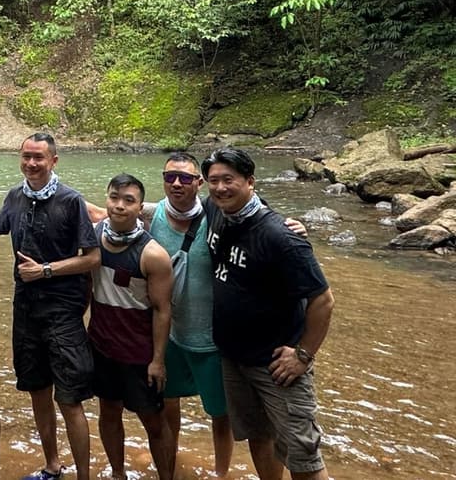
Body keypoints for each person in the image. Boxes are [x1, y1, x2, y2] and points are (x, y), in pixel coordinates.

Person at [201, 148, 335, 480]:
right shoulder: (216, 211)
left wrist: (303, 355)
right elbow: (172, 209)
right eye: (213, 181)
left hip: (276, 365)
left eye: (228, 180)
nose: (220, 188)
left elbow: (323, 300)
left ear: (250, 182)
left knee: (303, 455)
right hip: (234, 358)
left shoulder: (281, 236)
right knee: (259, 436)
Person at [0, 133, 100, 480]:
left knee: (69, 399)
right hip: (26, 312)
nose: (31, 164)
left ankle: (83, 475)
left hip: (63, 315)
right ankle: (53, 466)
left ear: (53, 161)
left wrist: (47, 270)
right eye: (26, 156)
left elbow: (93, 258)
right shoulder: (14, 197)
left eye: (39, 157)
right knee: (38, 391)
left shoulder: (70, 201)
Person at [147, 152, 234, 477]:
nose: (177, 184)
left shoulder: (219, 216)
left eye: (185, 178)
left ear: (200, 183)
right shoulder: (153, 216)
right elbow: (112, 212)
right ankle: (170, 466)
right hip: (169, 335)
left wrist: (289, 224)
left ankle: (221, 473)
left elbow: (255, 217)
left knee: (220, 414)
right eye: (170, 177)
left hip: (211, 339)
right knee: (169, 405)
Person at [88, 174, 174, 480]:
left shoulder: (154, 255)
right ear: (106, 199)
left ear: (141, 208)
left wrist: (158, 361)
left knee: (153, 420)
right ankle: (117, 473)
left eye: (129, 201)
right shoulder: (94, 237)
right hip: (102, 346)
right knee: (108, 412)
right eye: (114, 198)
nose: (120, 206)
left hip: (139, 353)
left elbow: (163, 310)